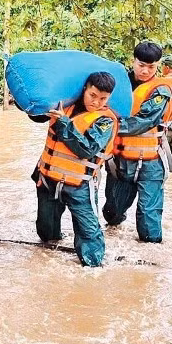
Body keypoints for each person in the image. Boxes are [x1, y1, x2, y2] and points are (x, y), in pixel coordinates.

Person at [33, 72, 119, 266]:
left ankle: (92, 267)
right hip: (49, 180)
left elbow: (86, 149)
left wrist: (64, 123)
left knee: (88, 232)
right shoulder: (65, 106)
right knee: (46, 233)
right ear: (85, 90)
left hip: (79, 185)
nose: (96, 102)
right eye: (93, 95)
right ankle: (47, 259)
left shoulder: (105, 120)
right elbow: (37, 116)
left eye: (103, 98)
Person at [102, 41, 172, 243]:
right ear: (133, 61)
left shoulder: (160, 91)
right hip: (120, 161)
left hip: (151, 163)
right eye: (141, 65)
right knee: (112, 214)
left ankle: (151, 260)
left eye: (151, 67)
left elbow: (146, 120)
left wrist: (111, 127)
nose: (145, 70)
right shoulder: (116, 84)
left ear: (157, 65)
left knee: (149, 223)